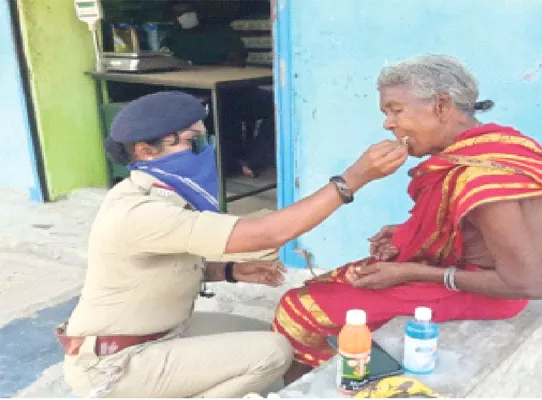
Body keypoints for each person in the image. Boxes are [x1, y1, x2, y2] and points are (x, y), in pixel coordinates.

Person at [58, 91, 408, 398]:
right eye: (192, 142)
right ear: (145, 150)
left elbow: (157, 268)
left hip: (165, 332)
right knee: (271, 352)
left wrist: (229, 271)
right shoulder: (138, 210)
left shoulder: (165, 195)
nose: (204, 150)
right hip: (117, 363)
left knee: (282, 336)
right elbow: (265, 234)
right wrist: (352, 180)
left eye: (205, 139)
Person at [272, 54, 542, 382]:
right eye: (386, 113)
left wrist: (410, 270)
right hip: (479, 272)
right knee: (351, 277)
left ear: (441, 106)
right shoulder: (499, 145)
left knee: (299, 309)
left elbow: (528, 284)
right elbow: (473, 232)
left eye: (395, 110)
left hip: (492, 290)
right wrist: (406, 234)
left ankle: (314, 387)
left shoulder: (479, 178)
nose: (388, 124)